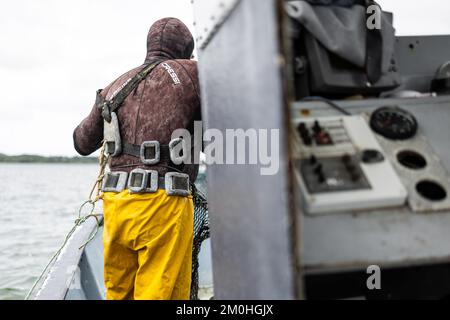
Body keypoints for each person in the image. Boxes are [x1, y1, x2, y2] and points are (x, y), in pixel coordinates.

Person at [73, 17, 201, 300]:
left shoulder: (113, 86)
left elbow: (81, 142)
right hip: (162, 206)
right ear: (186, 49)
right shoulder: (193, 73)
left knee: (119, 293)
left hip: (116, 206)